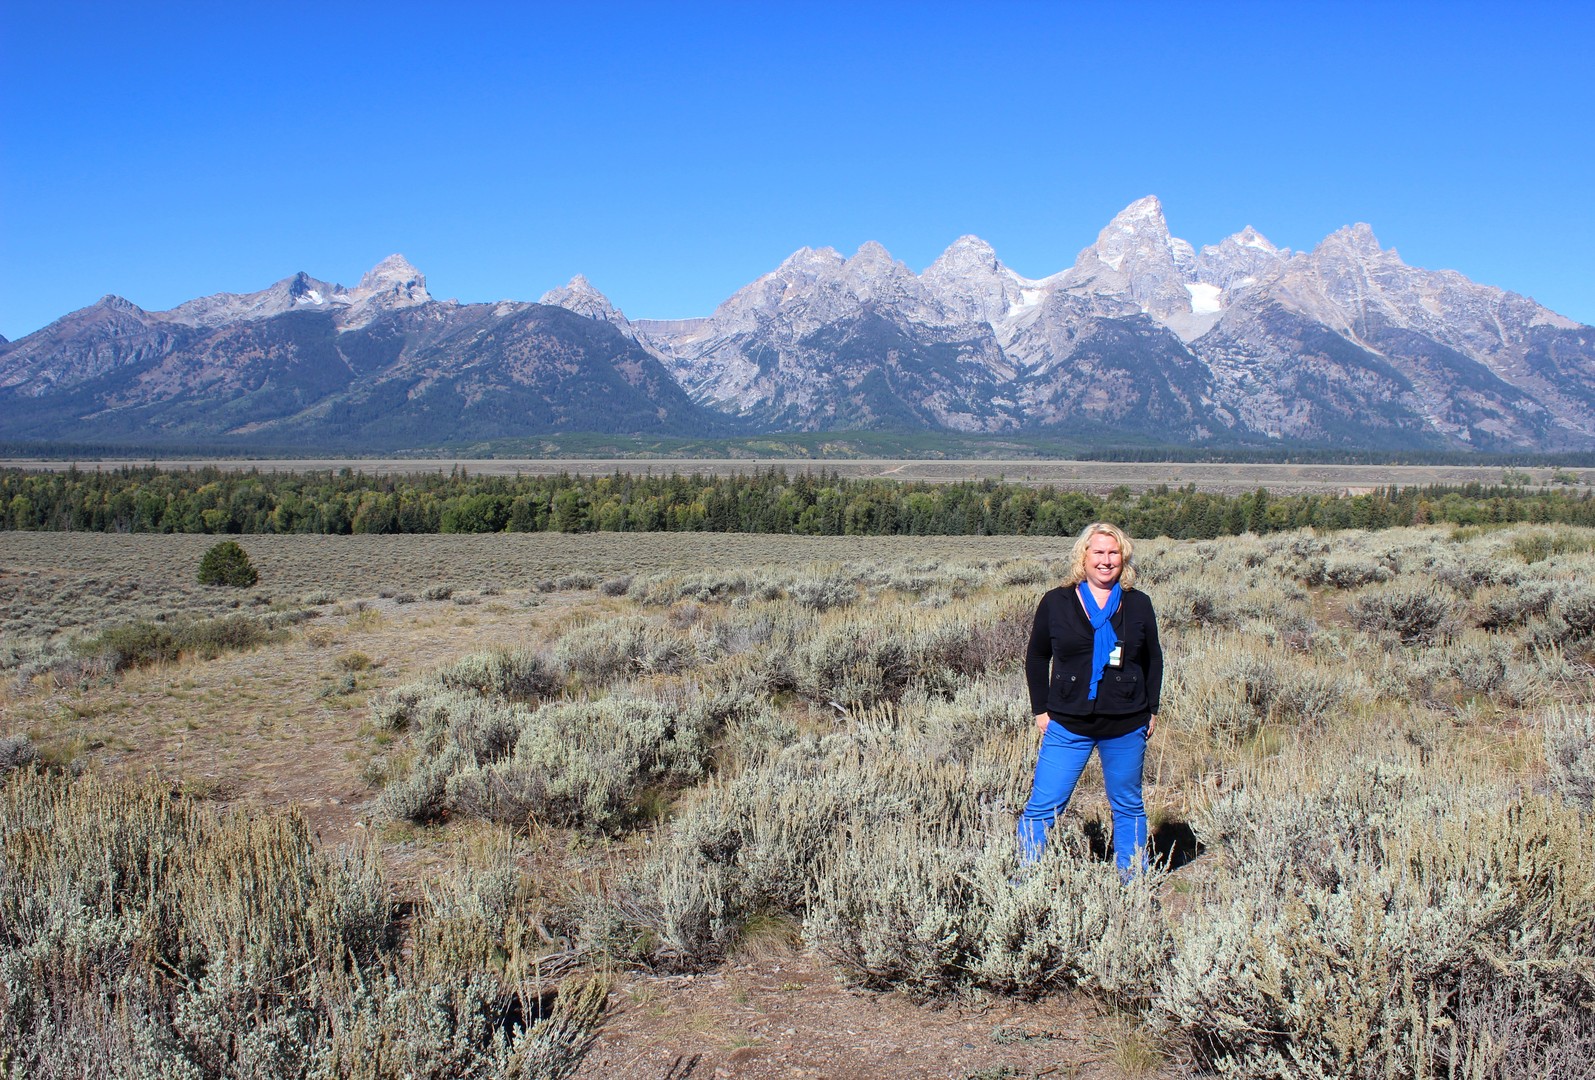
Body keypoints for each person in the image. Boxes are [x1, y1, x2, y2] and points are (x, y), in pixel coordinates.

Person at [1018, 522, 1162, 878]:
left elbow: (1153, 659)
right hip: (1068, 722)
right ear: (1083, 556)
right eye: (1098, 552)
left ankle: (1133, 882)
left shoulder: (1138, 604)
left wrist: (1152, 709)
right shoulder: (1057, 601)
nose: (1106, 560)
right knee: (1044, 807)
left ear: (1123, 559)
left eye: (1113, 553)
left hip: (1126, 722)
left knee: (1128, 807)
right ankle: (1024, 882)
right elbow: (1037, 657)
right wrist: (1041, 709)